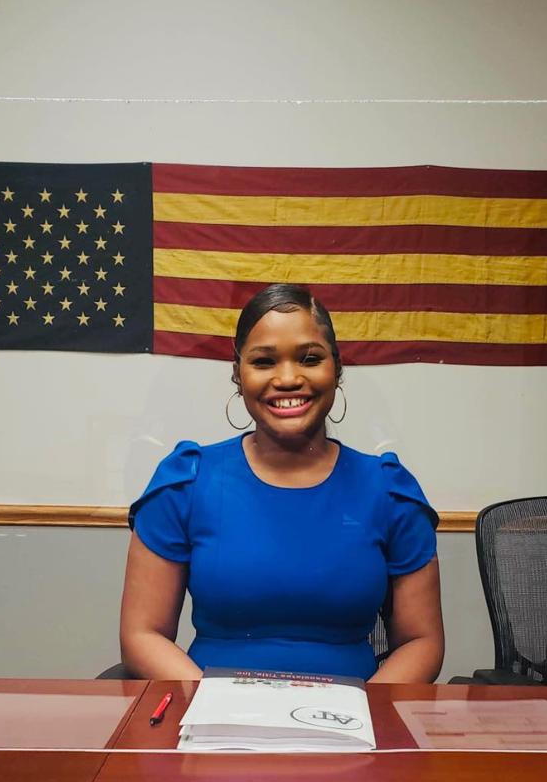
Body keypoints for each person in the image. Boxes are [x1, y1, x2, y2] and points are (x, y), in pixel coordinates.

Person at [119, 284, 444, 681]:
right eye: (264, 361)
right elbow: (142, 634)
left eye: (309, 358)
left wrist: (360, 716)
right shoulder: (184, 484)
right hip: (211, 722)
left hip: (354, 727)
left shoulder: (390, 492)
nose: (288, 378)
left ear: (336, 370)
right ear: (238, 374)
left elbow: (421, 641)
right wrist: (218, 706)